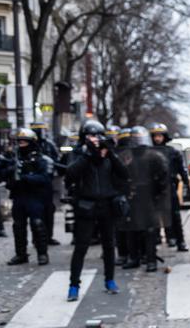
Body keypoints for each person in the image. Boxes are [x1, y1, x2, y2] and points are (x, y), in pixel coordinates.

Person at [65, 120, 127, 301]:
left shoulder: (107, 153)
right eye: (90, 136)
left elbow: (124, 174)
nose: (94, 139)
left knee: (109, 245)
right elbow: (71, 174)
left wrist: (110, 154)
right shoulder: (78, 153)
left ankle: (110, 280)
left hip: (107, 205)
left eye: (97, 136)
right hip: (86, 205)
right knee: (81, 247)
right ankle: (74, 285)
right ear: (84, 137)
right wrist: (87, 156)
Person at [116, 126, 170, 272]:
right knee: (132, 229)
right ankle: (134, 258)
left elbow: (163, 177)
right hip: (132, 197)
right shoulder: (126, 156)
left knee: (150, 230)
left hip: (149, 197)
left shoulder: (154, 156)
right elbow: (120, 176)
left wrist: (158, 195)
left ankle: (151, 259)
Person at [4, 128, 55, 266]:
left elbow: (45, 178)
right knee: (18, 226)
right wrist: (9, 173)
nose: (21, 144)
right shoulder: (14, 158)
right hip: (19, 196)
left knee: (37, 224)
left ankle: (42, 253)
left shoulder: (40, 159)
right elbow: (4, 174)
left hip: (34, 196)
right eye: (19, 142)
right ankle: (21, 254)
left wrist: (26, 178)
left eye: (24, 142)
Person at [149, 123, 190, 252]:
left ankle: (179, 241)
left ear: (164, 136)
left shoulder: (172, 152)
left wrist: (187, 184)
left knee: (174, 215)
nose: (157, 138)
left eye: (159, 135)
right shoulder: (148, 152)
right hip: (152, 189)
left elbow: (181, 170)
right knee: (153, 216)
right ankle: (156, 239)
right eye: (155, 136)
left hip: (169, 187)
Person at [31, 121, 62, 246]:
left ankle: (48, 236)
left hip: (47, 182)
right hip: (32, 184)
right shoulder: (29, 145)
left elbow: (56, 160)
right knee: (35, 213)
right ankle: (36, 238)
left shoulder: (49, 145)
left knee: (49, 210)